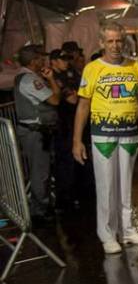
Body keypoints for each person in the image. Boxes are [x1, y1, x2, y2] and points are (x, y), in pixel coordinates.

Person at [73, 22, 138, 253]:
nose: (115, 45)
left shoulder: (133, 66)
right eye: (110, 41)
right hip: (103, 136)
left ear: (124, 41)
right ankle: (107, 234)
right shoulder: (92, 69)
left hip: (129, 134)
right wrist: (76, 141)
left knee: (126, 184)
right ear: (101, 43)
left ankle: (127, 230)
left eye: (119, 40)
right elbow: (83, 106)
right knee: (106, 185)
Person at [13, 45, 64, 220]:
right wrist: (51, 80)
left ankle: (44, 205)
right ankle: (40, 211)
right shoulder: (29, 80)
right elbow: (55, 99)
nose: (44, 61)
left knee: (43, 171)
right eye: (41, 58)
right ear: (34, 60)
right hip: (35, 132)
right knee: (40, 173)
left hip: (37, 131)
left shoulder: (28, 77)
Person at [49, 49, 80, 209]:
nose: (66, 62)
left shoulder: (69, 74)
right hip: (62, 125)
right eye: (62, 59)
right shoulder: (53, 77)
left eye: (67, 58)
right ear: (53, 61)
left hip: (71, 122)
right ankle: (64, 199)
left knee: (71, 162)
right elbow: (74, 99)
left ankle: (72, 194)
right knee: (64, 162)